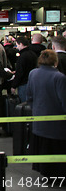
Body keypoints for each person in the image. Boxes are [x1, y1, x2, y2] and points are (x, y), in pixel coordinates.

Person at [27, 50, 66, 178]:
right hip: (57, 124)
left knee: (43, 147)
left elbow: (29, 96)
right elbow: (63, 101)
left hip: (39, 121)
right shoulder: (59, 77)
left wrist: (37, 109)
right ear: (56, 61)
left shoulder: (33, 74)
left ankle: (45, 172)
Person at [11, 37, 38, 103]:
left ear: (21, 44)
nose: (17, 47)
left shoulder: (22, 56)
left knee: (25, 105)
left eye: (17, 45)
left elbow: (20, 73)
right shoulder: (33, 54)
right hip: (33, 83)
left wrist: (14, 86)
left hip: (24, 84)